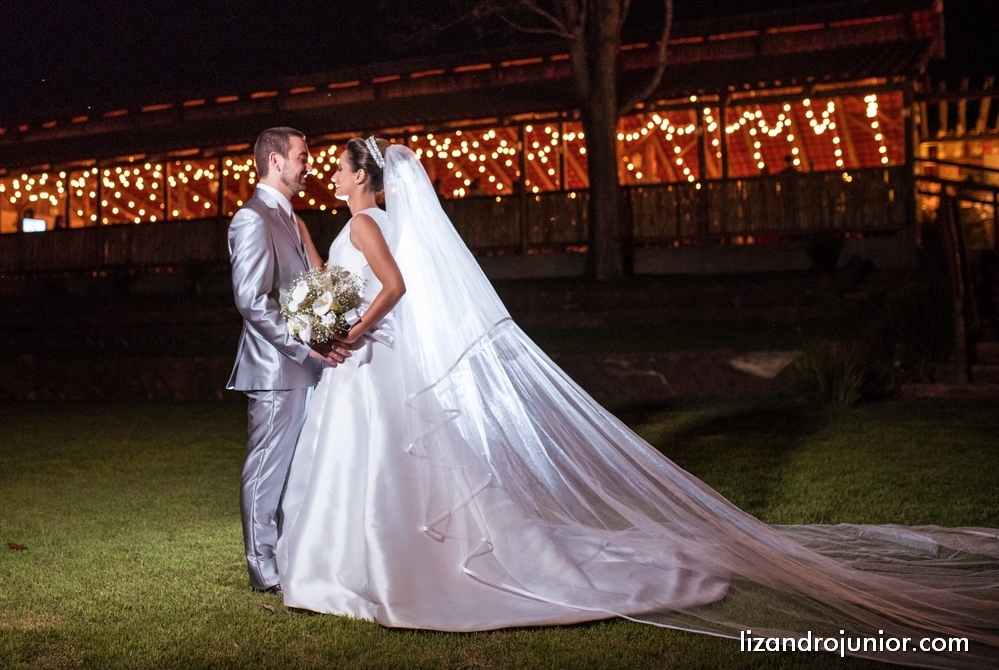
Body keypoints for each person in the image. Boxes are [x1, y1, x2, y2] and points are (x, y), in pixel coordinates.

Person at [277, 138, 999, 668]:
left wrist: (349, 330)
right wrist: (324, 307)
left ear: (362, 175)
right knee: (373, 468)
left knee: (389, 469)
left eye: (338, 164)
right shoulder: (353, 226)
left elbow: (393, 289)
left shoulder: (368, 224)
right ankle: (356, 567)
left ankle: (383, 572)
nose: (331, 172)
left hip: (371, 359)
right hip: (362, 364)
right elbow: (347, 282)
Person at [226, 126, 349, 595]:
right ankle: (263, 571)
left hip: (304, 367)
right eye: (302, 156)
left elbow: (303, 294)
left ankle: (292, 556)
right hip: (277, 370)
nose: (308, 164)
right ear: (275, 161)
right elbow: (253, 302)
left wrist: (329, 331)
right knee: (266, 469)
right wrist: (305, 349)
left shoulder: (290, 217)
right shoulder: (252, 218)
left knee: (298, 471)